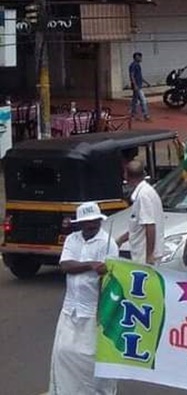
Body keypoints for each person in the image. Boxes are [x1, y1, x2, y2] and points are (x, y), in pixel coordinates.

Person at [49, 202, 118, 395]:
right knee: (64, 353)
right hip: (71, 308)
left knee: (90, 359)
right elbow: (65, 265)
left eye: (95, 221)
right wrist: (91, 265)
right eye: (88, 222)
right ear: (80, 224)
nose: (92, 225)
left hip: (93, 310)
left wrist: (103, 313)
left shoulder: (108, 244)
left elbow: (109, 281)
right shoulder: (72, 240)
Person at [115, 158, 162, 265]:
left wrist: (149, 255)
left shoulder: (143, 195)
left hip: (144, 255)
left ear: (126, 175)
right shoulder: (144, 192)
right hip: (140, 253)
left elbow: (150, 225)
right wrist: (121, 239)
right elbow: (137, 225)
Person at [129, 51, 149, 121]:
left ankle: (132, 114)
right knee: (143, 100)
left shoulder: (137, 65)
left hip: (138, 85)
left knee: (135, 101)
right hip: (137, 86)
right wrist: (135, 85)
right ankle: (145, 115)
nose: (141, 58)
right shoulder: (133, 65)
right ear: (136, 57)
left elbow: (139, 76)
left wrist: (146, 82)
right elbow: (132, 76)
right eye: (140, 57)